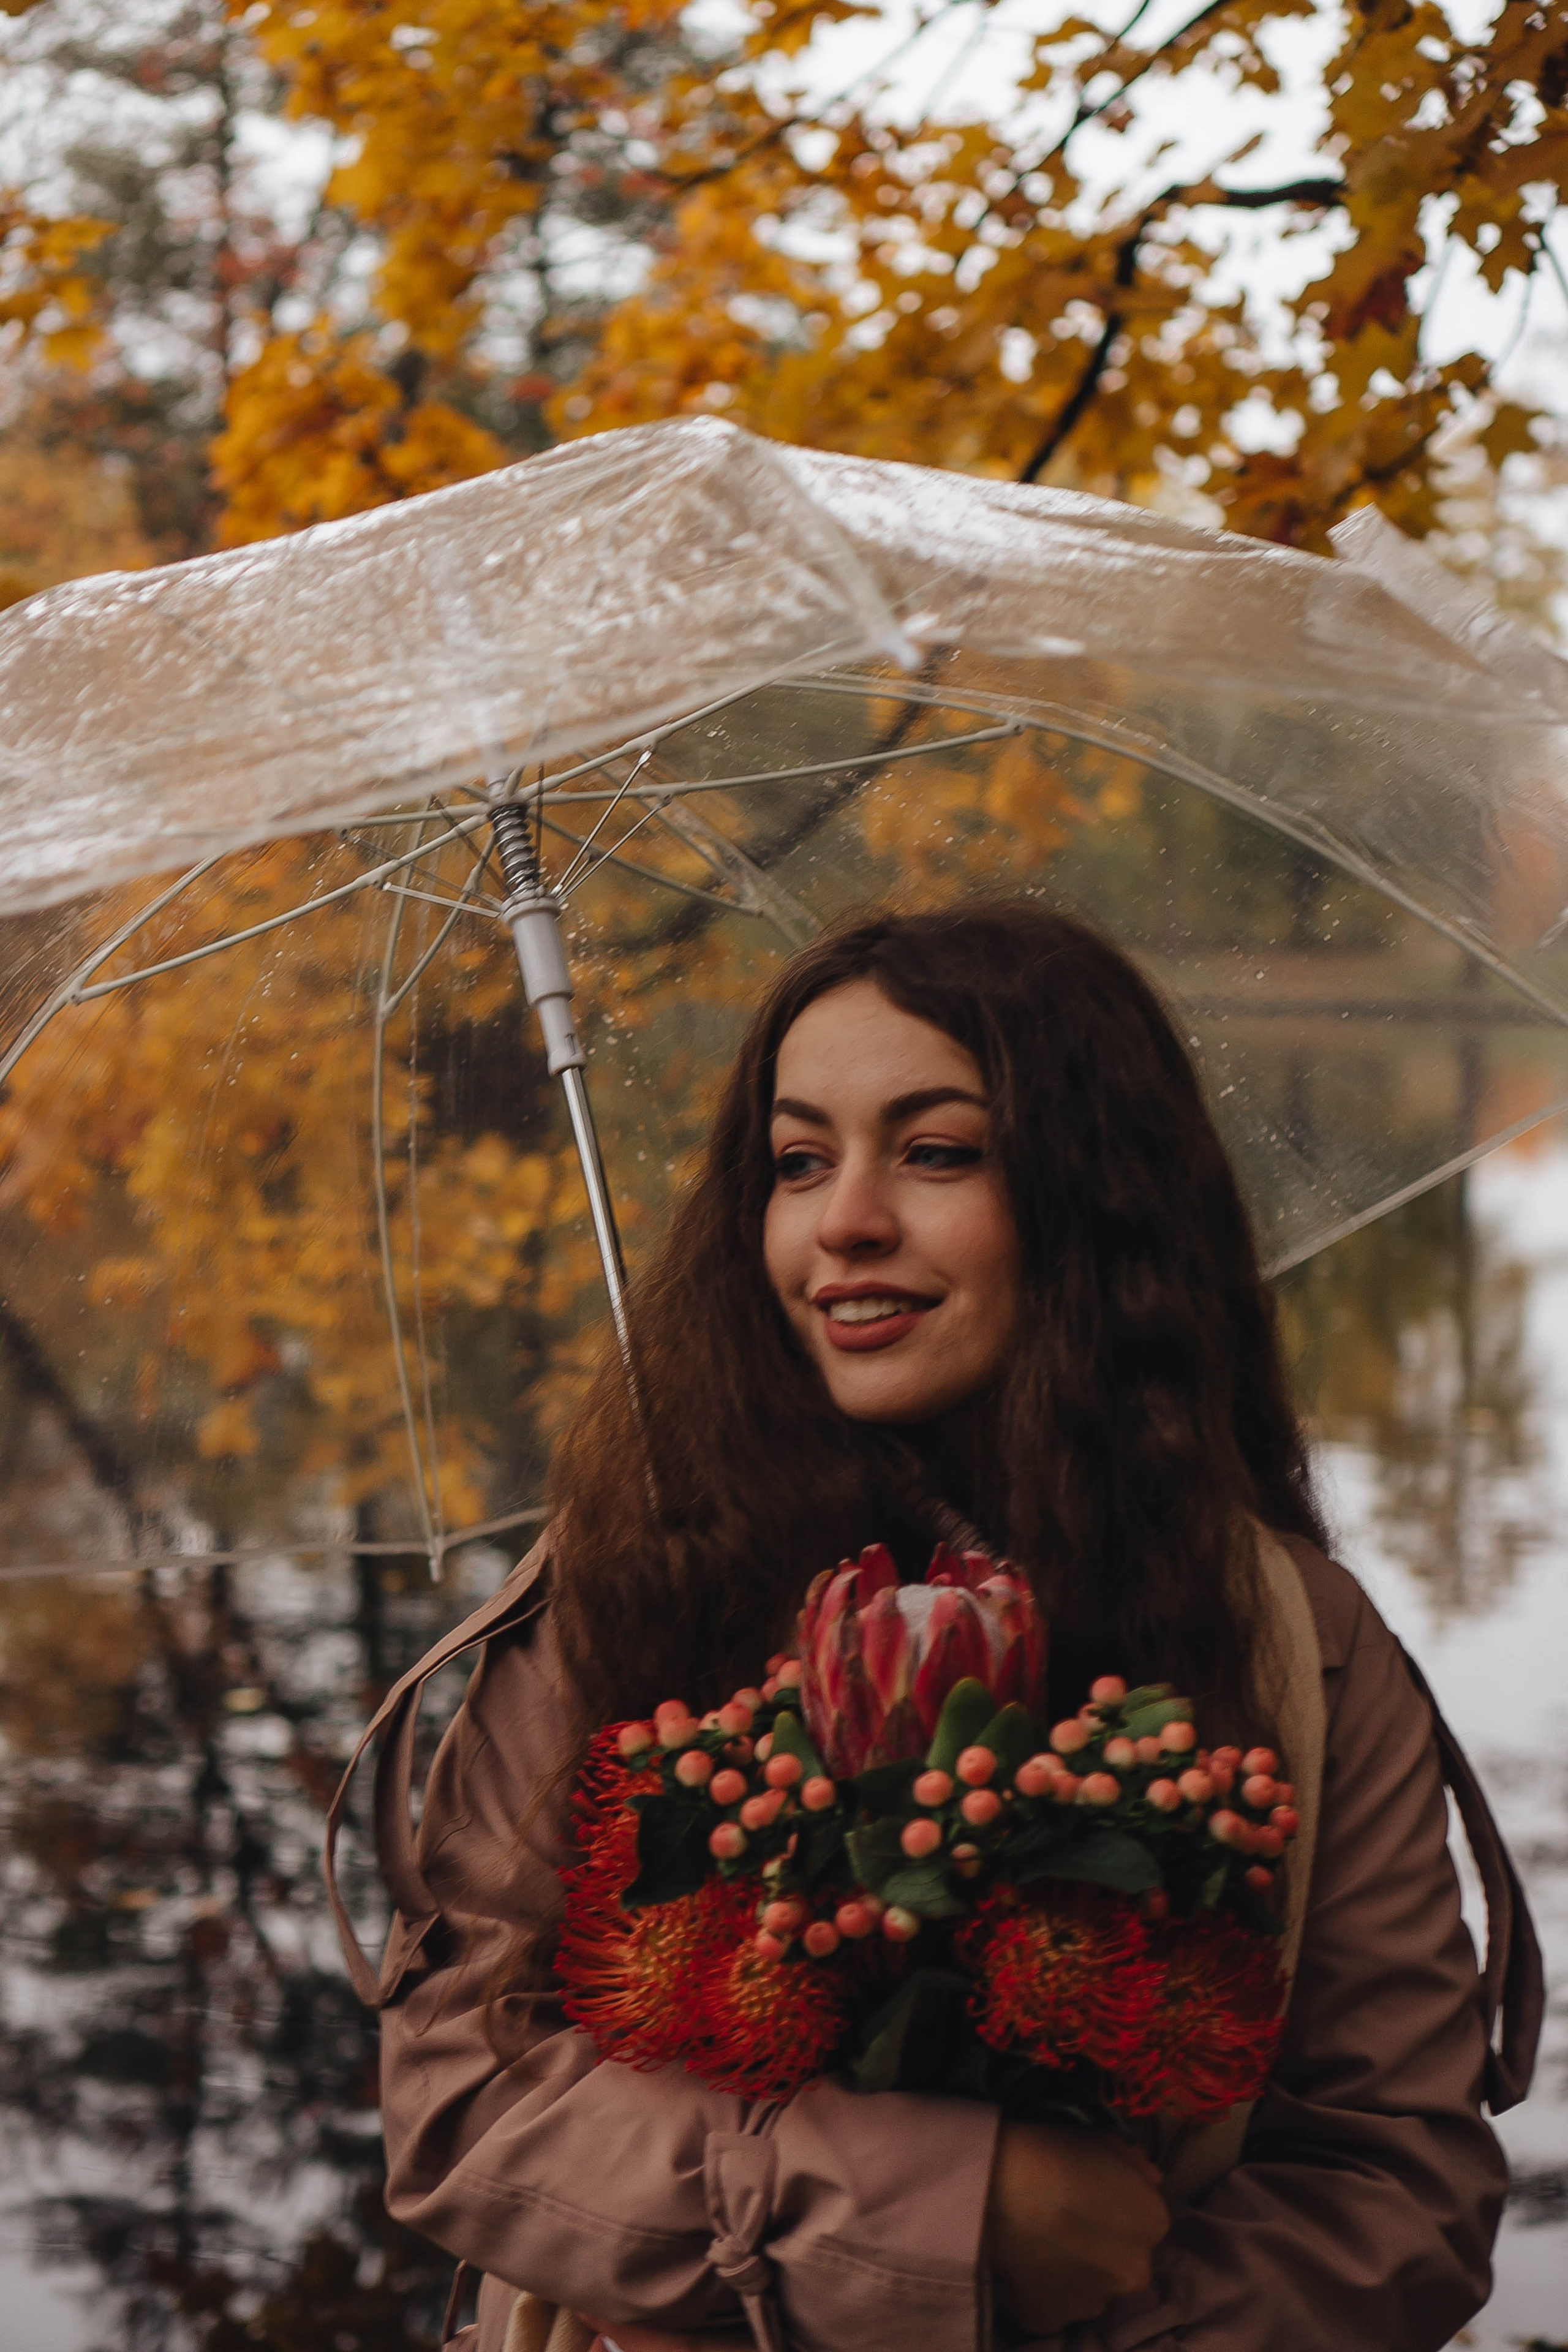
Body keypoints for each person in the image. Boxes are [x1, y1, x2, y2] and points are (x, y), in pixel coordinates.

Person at [327, 902, 1540, 2352]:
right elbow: (464, 2096)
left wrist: (1068, 2324)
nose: (843, 1219)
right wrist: (935, 2221)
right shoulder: (630, 1579)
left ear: (1090, 1197)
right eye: (795, 1162)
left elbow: (1391, 2184)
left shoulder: (1287, 1634)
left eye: (935, 1151)